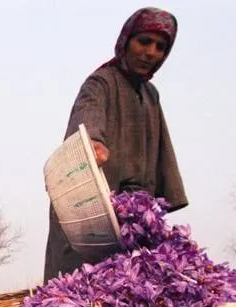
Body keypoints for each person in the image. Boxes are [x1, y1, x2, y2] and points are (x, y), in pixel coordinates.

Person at [44, 7, 189, 283]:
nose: (150, 52)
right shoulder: (101, 82)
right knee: (76, 293)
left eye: (160, 47)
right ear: (126, 41)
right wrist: (93, 144)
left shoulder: (150, 94)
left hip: (133, 218)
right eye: (144, 41)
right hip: (90, 215)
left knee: (132, 293)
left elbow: (161, 154)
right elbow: (87, 117)